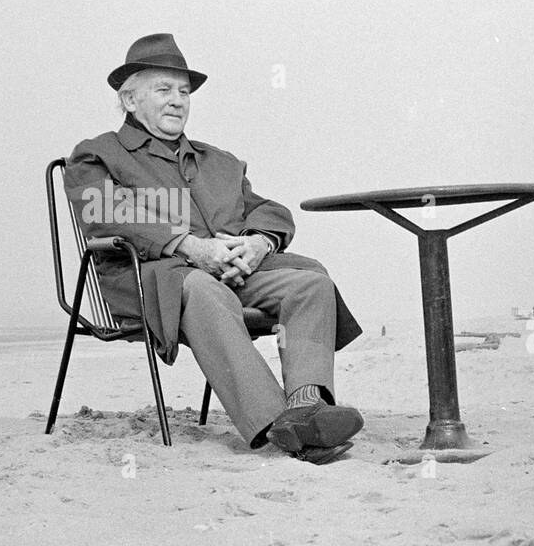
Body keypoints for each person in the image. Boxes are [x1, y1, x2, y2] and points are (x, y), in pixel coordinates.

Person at [64, 34, 363, 464]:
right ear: (129, 99)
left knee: (310, 284)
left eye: (184, 92)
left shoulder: (219, 161)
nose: (177, 101)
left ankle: (307, 405)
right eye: (163, 90)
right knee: (205, 291)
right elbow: (105, 210)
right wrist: (189, 246)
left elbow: (269, 211)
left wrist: (258, 243)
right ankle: (279, 423)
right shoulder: (98, 154)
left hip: (232, 276)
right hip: (155, 281)